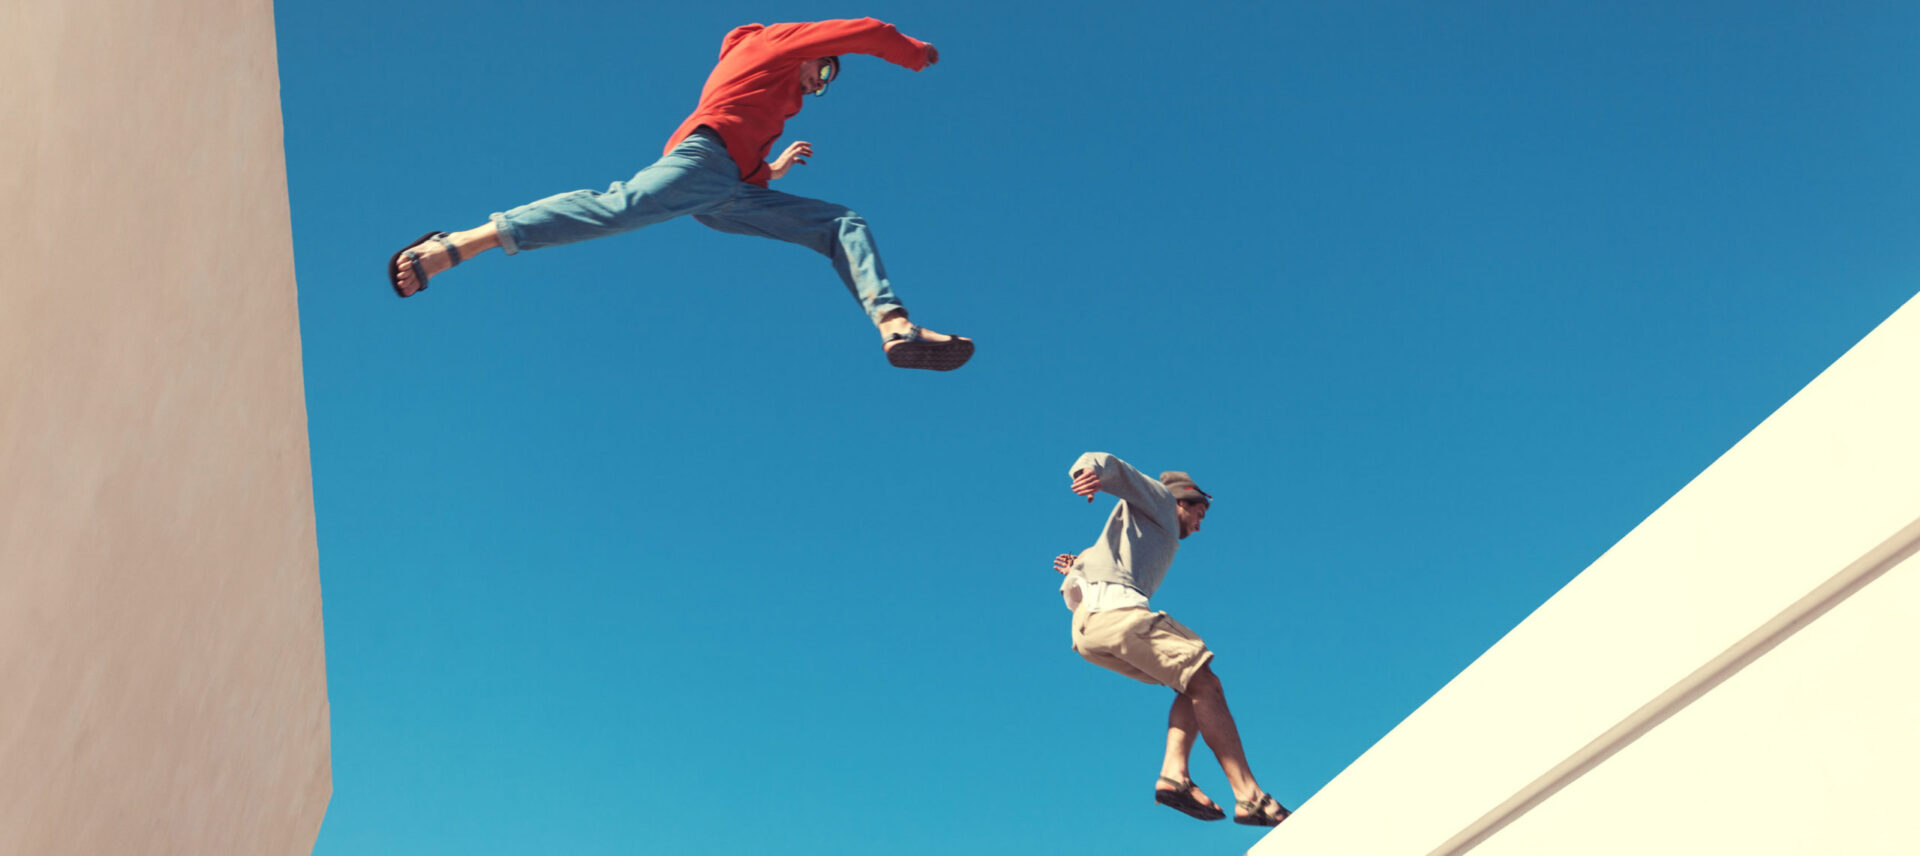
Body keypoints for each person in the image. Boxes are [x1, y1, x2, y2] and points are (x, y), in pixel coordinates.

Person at [386, 18, 973, 372]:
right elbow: (866, 32)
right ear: (809, 56)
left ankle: (894, 326)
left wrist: (773, 170)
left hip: (725, 189)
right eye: (822, 75)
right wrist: (916, 53)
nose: (816, 86)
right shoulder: (775, 47)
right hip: (703, 161)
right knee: (617, 208)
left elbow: (740, 173)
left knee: (841, 222)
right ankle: (461, 242)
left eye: (821, 86)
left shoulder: (767, 98)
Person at [1054, 452, 1290, 827]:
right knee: (1206, 683)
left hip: (1089, 635)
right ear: (1183, 501)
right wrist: (1090, 471)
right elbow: (1118, 470)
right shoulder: (1162, 502)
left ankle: (1173, 776)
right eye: (1200, 513)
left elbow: (1092, 567)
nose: (1200, 525)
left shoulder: (1135, 534)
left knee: (1190, 688)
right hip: (1118, 616)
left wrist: (1075, 568)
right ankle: (1251, 797)